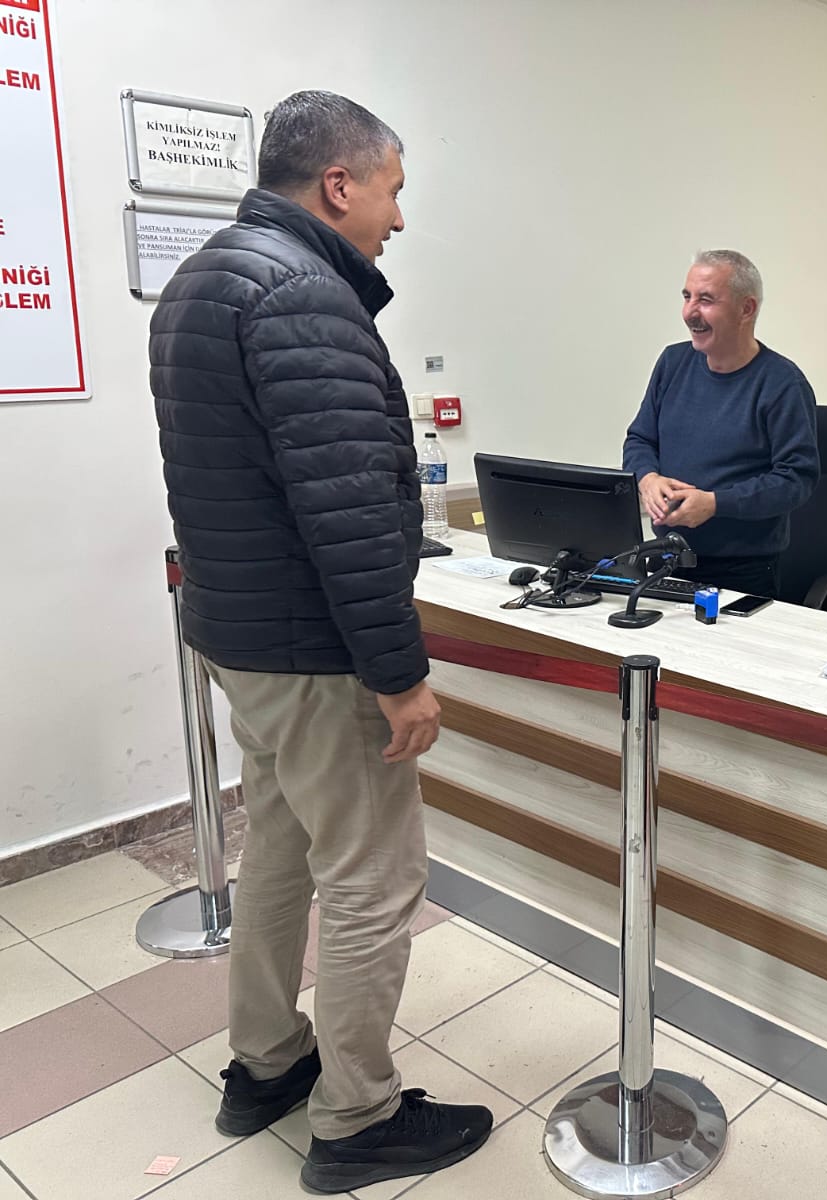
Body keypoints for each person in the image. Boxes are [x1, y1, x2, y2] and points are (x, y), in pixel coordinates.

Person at [150, 91, 492, 1194]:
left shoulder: (200, 281)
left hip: (240, 638)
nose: (399, 217)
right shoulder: (305, 295)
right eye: (392, 189)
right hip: (313, 651)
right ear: (338, 184)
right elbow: (344, 515)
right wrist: (398, 676)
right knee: (373, 880)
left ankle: (266, 1063)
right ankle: (356, 1118)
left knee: (282, 856)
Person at [622, 250, 820, 598]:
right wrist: (647, 478)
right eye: (687, 297)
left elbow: (796, 479)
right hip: (667, 558)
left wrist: (715, 504)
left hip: (743, 572)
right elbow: (640, 439)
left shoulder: (782, 384)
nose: (690, 312)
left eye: (706, 300)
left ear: (746, 309)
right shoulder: (672, 362)